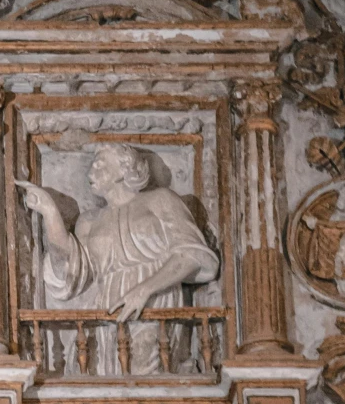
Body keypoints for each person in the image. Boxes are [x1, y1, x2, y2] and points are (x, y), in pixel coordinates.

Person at [15, 142, 219, 376]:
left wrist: (145, 289)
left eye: (100, 165)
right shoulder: (89, 220)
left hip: (155, 302)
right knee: (110, 383)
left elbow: (192, 254)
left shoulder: (161, 200)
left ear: (124, 169)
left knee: (151, 382)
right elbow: (71, 267)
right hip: (108, 307)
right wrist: (49, 211)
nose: (91, 172)